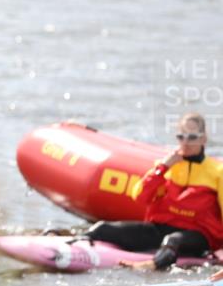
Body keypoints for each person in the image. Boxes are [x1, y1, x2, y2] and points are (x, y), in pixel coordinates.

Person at [79, 113, 222, 271]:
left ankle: (152, 266)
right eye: (181, 137)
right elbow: (140, 197)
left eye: (192, 137)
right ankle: (69, 244)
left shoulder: (217, 172)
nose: (186, 143)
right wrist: (163, 168)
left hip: (199, 237)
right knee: (102, 228)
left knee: (173, 240)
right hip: (160, 229)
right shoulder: (166, 167)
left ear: (204, 139)